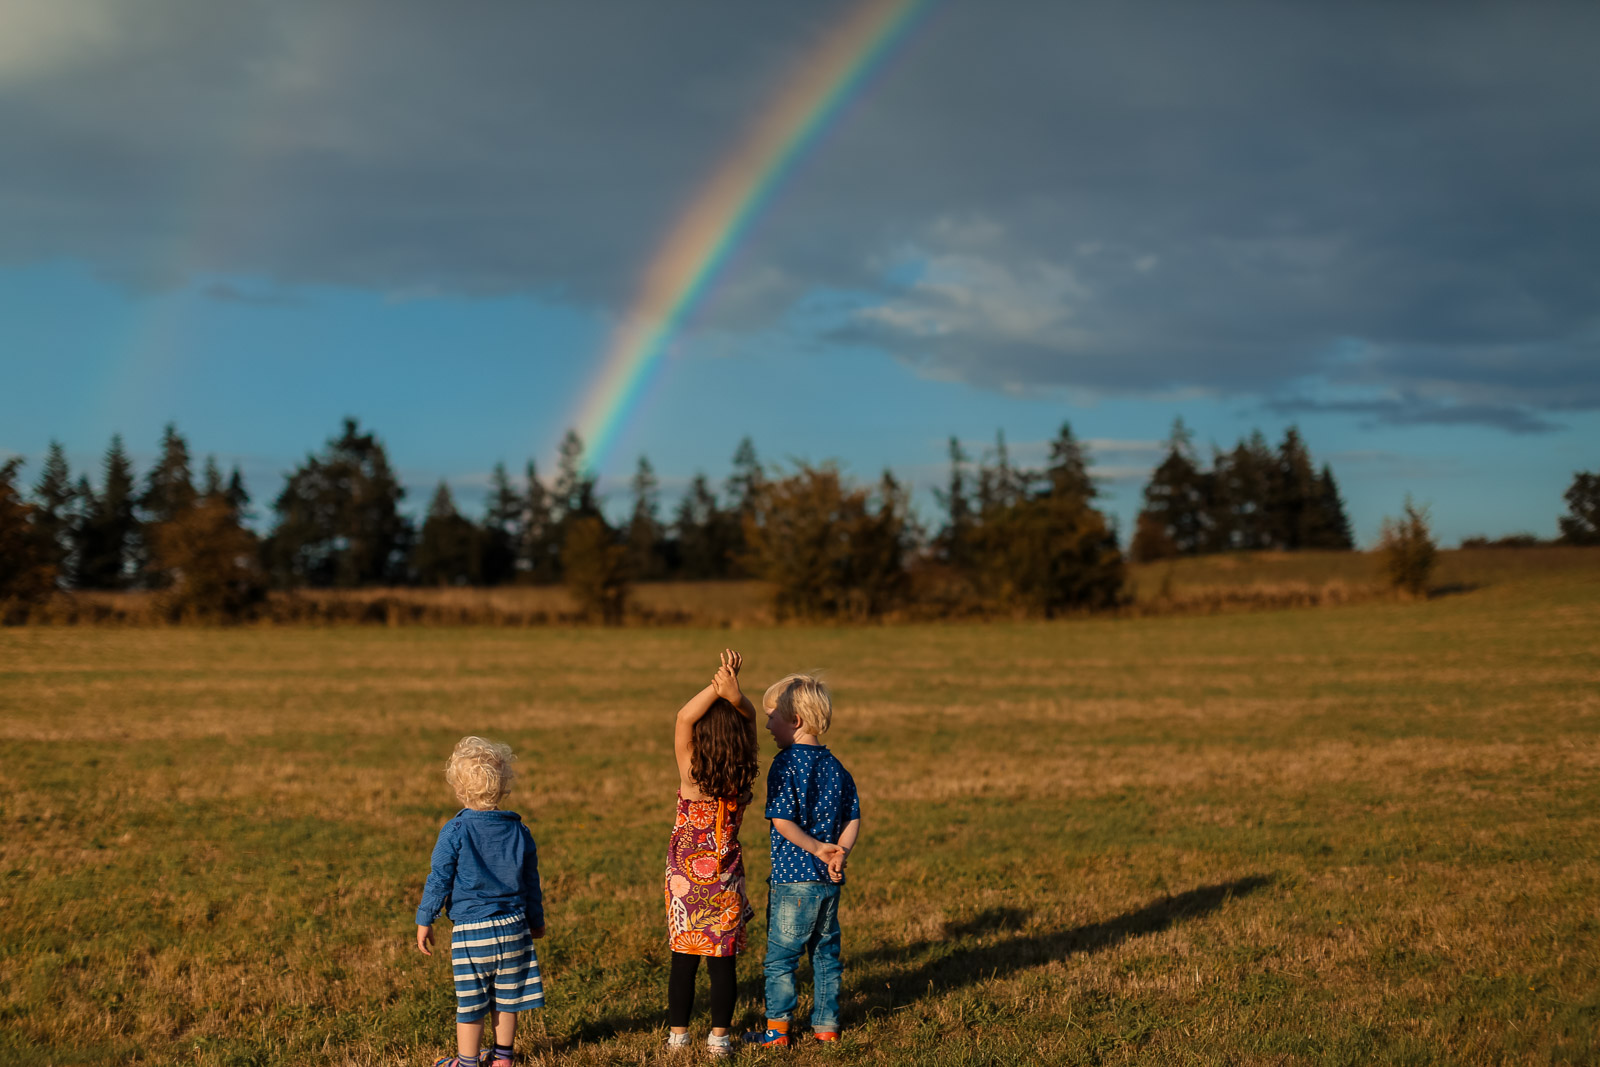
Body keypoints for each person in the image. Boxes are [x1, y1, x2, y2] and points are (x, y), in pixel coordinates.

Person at [416, 736, 545, 1067]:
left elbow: (439, 878)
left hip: (473, 932)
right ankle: (503, 1059)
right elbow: (531, 882)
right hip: (515, 927)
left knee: (471, 1004)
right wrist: (536, 920)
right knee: (507, 1000)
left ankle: (467, 1062)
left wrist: (425, 918)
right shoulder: (520, 830)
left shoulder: (455, 830)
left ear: (459, 789)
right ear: (504, 788)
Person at [748, 673, 860, 1047]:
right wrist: (838, 853)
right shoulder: (836, 766)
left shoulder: (785, 764)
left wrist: (814, 848)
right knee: (826, 956)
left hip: (793, 881)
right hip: (828, 883)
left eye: (771, 717)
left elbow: (782, 820)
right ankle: (826, 1028)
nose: (766, 725)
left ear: (794, 721)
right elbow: (853, 817)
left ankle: (777, 1032)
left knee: (781, 959)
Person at [664, 650, 760, 1058]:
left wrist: (715, 685)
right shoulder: (742, 769)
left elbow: (684, 717)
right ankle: (719, 1040)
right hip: (726, 879)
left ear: (700, 740)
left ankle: (678, 1037)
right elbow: (751, 719)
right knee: (724, 964)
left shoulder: (691, 774)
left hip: (684, 880)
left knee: (683, 962)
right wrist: (734, 694)